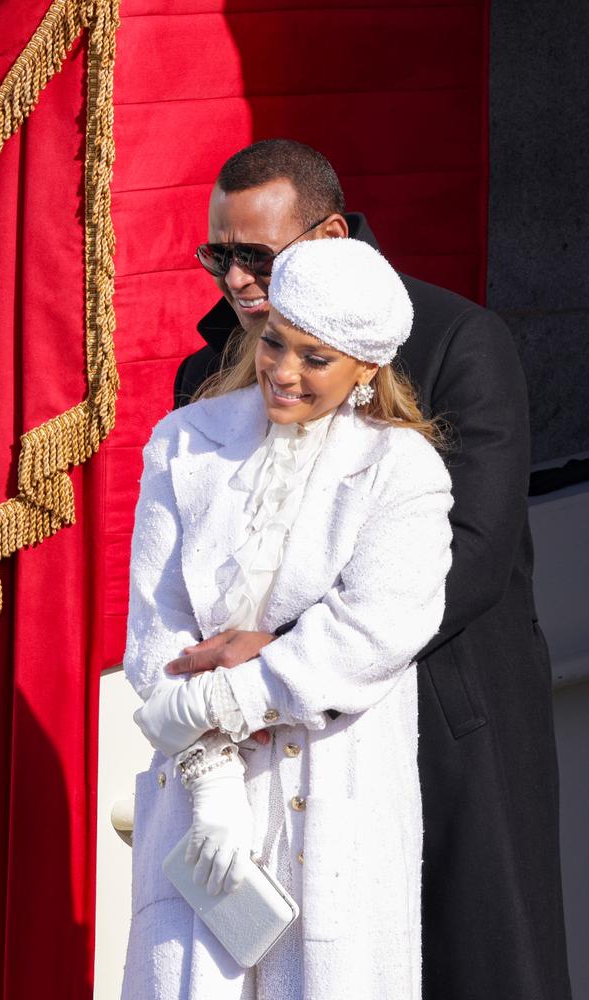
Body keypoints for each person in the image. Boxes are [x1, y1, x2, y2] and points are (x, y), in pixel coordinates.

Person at [173, 140, 571, 1000]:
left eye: (258, 257)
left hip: (446, 721)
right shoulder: (205, 374)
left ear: (330, 232)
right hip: (264, 744)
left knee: (474, 970)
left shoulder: (459, 339)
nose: (238, 281)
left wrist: (273, 656)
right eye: (220, 256)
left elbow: (472, 554)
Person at [122, 237, 453, 999]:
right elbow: (155, 633)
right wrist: (211, 783)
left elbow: (373, 631)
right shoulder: (185, 444)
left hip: (338, 801)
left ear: (367, 369)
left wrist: (223, 696)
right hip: (200, 804)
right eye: (275, 341)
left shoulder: (402, 471)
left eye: (315, 357)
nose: (283, 371)